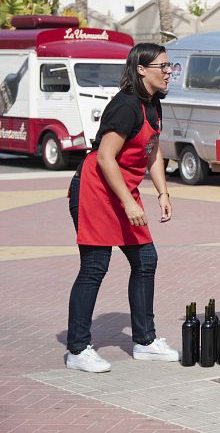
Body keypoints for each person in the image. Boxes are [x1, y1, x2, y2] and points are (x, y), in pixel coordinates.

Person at [65, 43, 179, 373]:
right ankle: (77, 349)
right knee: (95, 266)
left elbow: (153, 149)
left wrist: (162, 192)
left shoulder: (154, 104)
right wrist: (129, 202)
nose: (168, 72)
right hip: (95, 190)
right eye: (163, 66)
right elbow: (104, 157)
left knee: (146, 259)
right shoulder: (125, 106)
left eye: (170, 66)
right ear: (141, 69)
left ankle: (144, 342)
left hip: (123, 190)